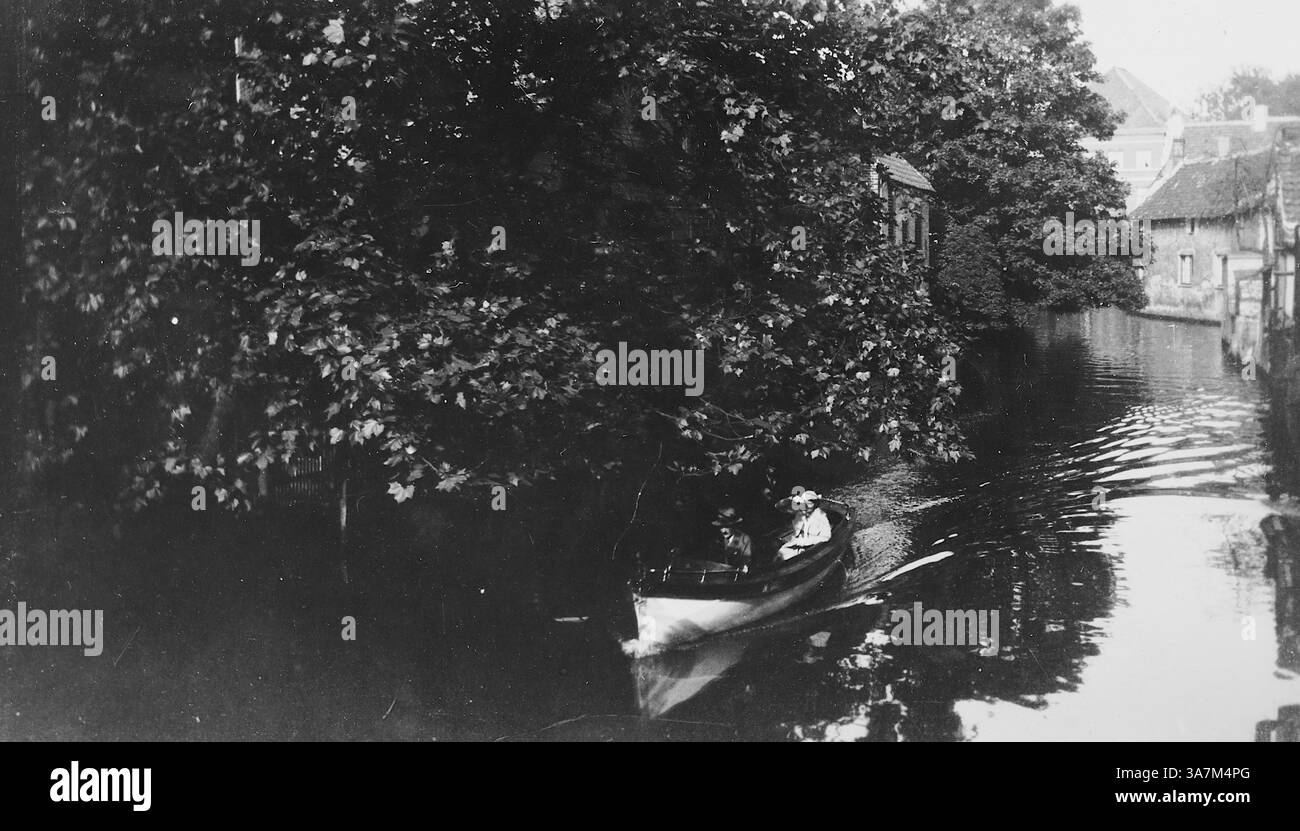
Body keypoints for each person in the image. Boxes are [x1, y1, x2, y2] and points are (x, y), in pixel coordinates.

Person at [778, 490, 832, 560]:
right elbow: (781, 506)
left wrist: (802, 542)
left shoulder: (821, 516)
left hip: (814, 548)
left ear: (814, 504)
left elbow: (826, 537)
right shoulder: (802, 514)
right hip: (799, 544)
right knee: (780, 554)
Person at [712, 507, 754, 572]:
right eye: (721, 527)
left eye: (727, 527)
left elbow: (746, 562)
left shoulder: (744, 540)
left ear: (734, 526)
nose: (723, 531)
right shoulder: (718, 539)